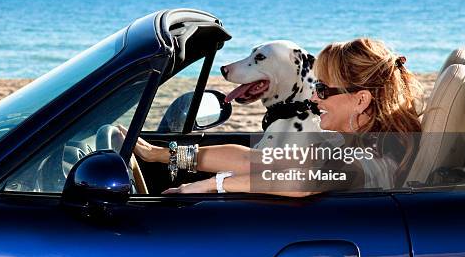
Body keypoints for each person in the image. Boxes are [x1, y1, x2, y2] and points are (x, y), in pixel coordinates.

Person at [123, 38, 423, 196]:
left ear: (360, 100)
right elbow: (250, 160)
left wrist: (211, 185)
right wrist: (160, 155)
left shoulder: (374, 160)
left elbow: (303, 182)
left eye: (323, 89)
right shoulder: (343, 142)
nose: (314, 96)